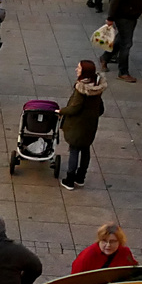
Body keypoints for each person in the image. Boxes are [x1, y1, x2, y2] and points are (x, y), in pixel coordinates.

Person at [57, 59, 106, 190]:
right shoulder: (97, 87)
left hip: (77, 126)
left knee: (74, 150)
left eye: (78, 68)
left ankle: (70, 180)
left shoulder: (81, 89)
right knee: (85, 150)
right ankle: (81, 177)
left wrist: (61, 111)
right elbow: (101, 109)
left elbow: (74, 108)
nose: (76, 70)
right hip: (90, 126)